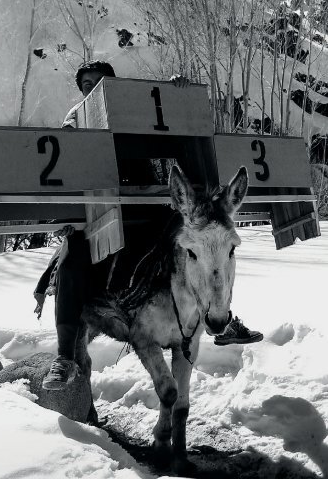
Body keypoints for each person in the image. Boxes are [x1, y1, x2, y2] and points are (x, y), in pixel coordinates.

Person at [38, 60, 263, 390]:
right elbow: (64, 168)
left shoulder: (131, 107)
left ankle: (222, 317)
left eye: (100, 83)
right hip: (97, 213)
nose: (93, 89)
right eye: (87, 85)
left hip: (144, 206)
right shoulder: (74, 119)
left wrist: (176, 93)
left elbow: (163, 118)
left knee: (200, 242)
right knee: (72, 261)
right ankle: (64, 358)